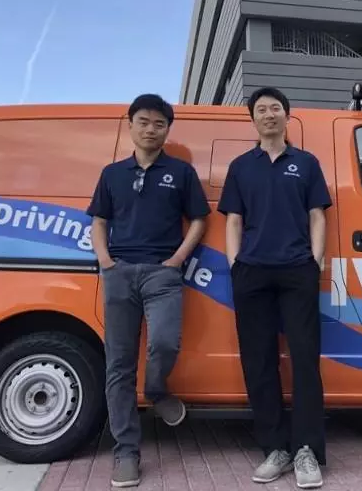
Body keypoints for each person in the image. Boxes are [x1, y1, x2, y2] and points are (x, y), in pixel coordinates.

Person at [87, 93, 210, 488]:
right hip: (119, 273)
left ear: (167, 129)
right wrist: (106, 262)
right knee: (119, 365)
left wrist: (176, 260)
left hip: (162, 273)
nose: (151, 129)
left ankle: (156, 389)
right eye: (143, 121)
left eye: (159, 123)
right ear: (130, 125)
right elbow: (99, 221)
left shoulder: (181, 172)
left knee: (165, 344)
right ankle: (126, 452)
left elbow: (199, 220)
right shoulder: (112, 174)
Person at [218, 87, 331, 489]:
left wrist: (314, 261)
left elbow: (317, 215)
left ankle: (306, 450)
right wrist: (235, 264)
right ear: (252, 118)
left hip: (297, 271)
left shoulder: (306, 163)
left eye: (275, 108)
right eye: (261, 109)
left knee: (304, 359)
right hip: (252, 273)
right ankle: (275, 448)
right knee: (259, 361)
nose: (269, 114)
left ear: (287, 115)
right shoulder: (240, 167)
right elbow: (233, 220)